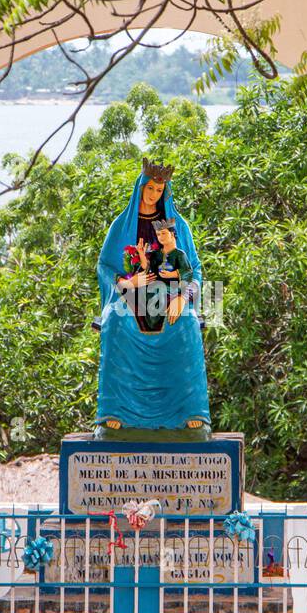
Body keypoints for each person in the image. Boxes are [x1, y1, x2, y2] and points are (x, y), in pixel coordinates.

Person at [94, 158, 211, 437]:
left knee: (185, 325)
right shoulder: (121, 225)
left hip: (170, 296)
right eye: (149, 189)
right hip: (131, 294)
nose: (153, 195)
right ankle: (117, 413)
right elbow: (105, 267)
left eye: (159, 191)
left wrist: (184, 297)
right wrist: (127, 281)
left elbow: (193, 270)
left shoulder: (177, 226)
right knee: (116, 325)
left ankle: (188, 412)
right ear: (140, 188)